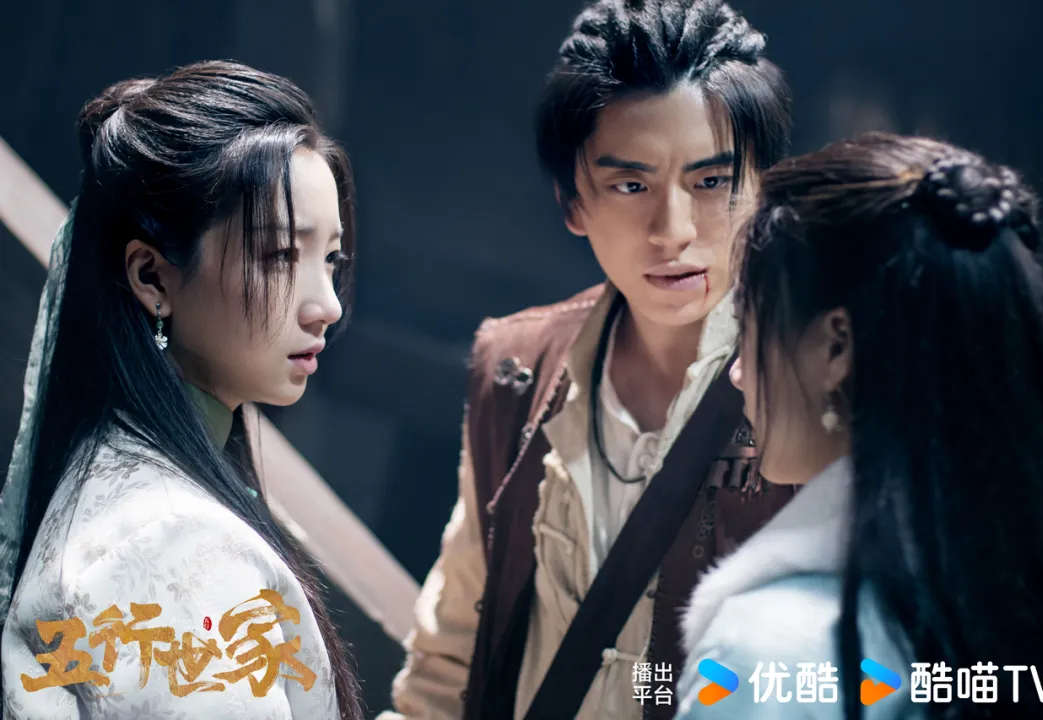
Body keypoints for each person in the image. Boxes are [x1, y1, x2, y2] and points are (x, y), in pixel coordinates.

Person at [380, 1, 793, 719]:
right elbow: (449, 659)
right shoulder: (520, 367)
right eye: (631, 185)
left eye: (711, 182)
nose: (673, 231)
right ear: (573, 202)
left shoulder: (819, 390)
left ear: (765, 191)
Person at [0, 61, 364, 719]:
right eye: (282, 256)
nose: (327, 306)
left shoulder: (126, 480)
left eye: (330, 259)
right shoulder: (173, 542)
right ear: (153, 278)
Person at [676, 133, 1043, 719]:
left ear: (835, 345)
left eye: (752, 325)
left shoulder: (766, 653)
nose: (739, 373)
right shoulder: (1033, 610)